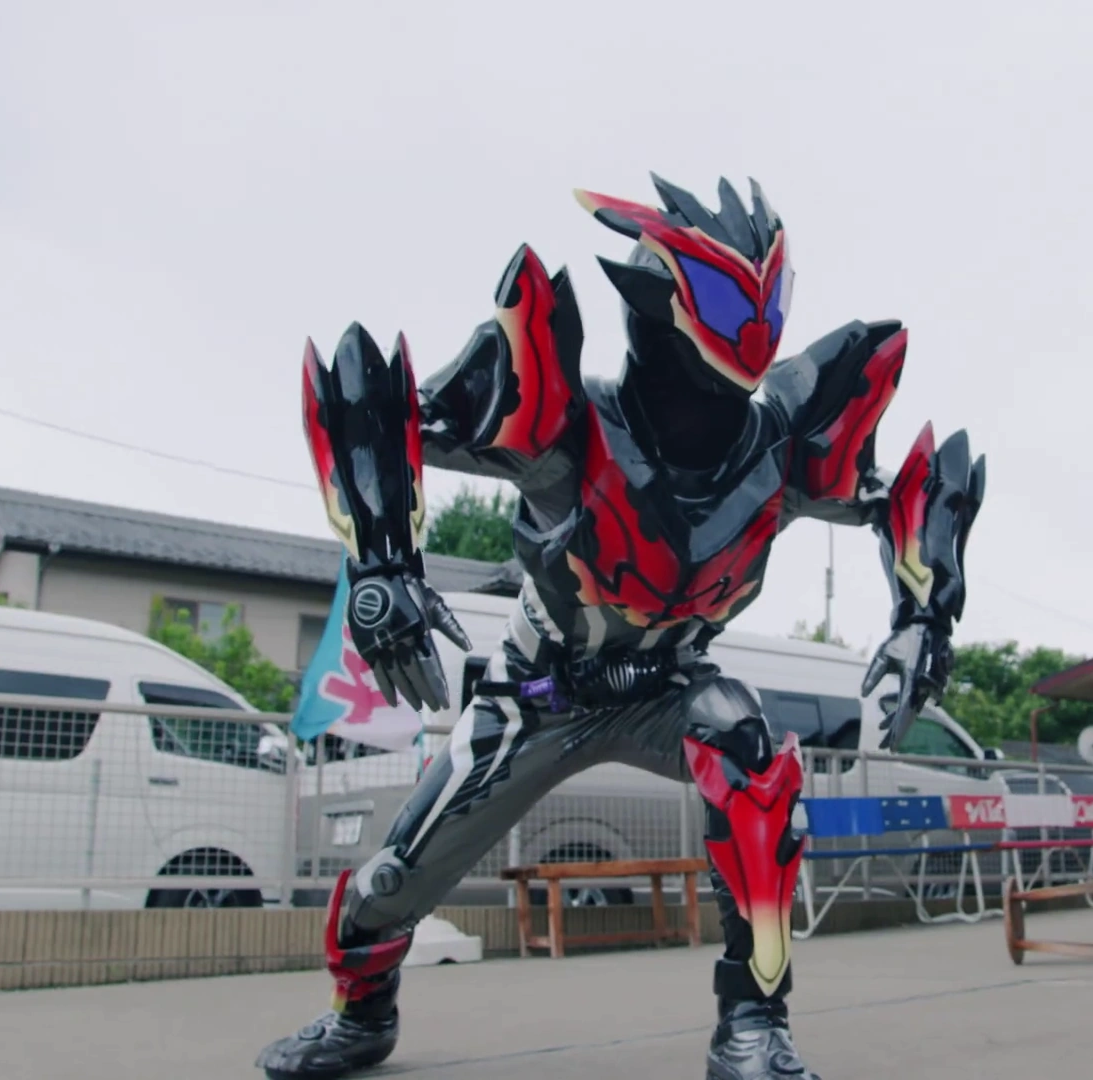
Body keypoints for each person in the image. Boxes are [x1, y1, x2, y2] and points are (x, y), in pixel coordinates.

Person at [258, 175, 985, 1080]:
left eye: (766, 299)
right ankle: (359, 1011)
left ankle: (754, 1019)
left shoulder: (784, 451)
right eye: (729, 299)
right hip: (538, 691)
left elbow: (918, 491)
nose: (752, 327)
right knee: (398, 878)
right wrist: (381, 567)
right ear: (661, 298)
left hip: (671, 687)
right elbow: (372, 403)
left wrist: (924, 616)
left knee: (750, 753)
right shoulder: (564, 423)